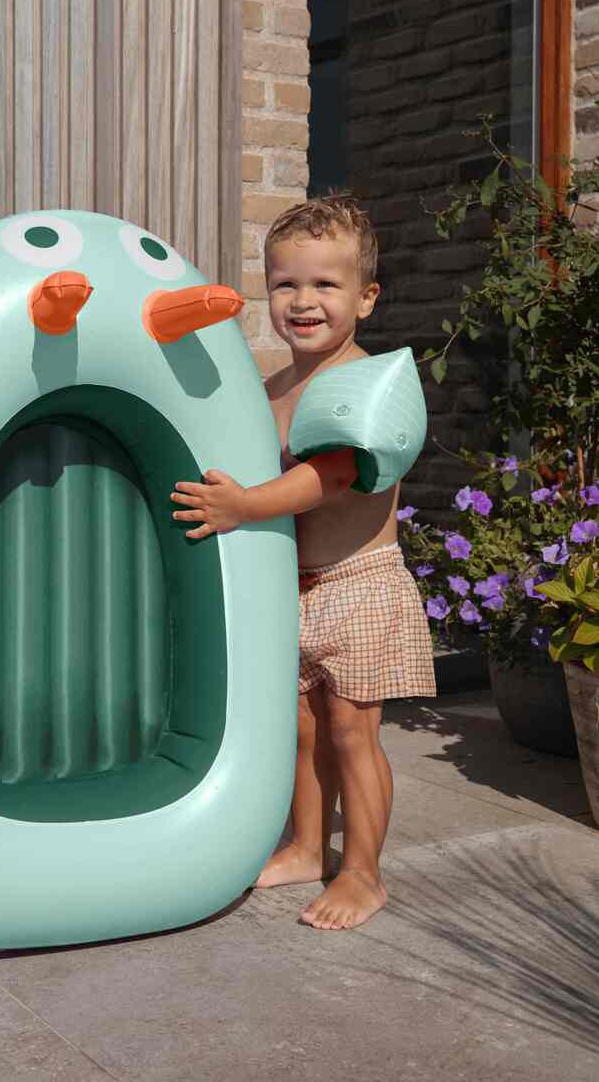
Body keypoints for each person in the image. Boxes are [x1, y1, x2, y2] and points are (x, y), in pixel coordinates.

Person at [170, 195, 436, 930]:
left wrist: (242, 506)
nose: (303, 300)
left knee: (352, 732)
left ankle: (364, 873)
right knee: (302, 731)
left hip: (359, 585)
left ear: (366, 298)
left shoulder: (360, 384)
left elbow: (335, 475)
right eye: (286, 284)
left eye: (325, 284)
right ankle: (306, 847)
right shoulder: (271, 390)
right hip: (295, 588)